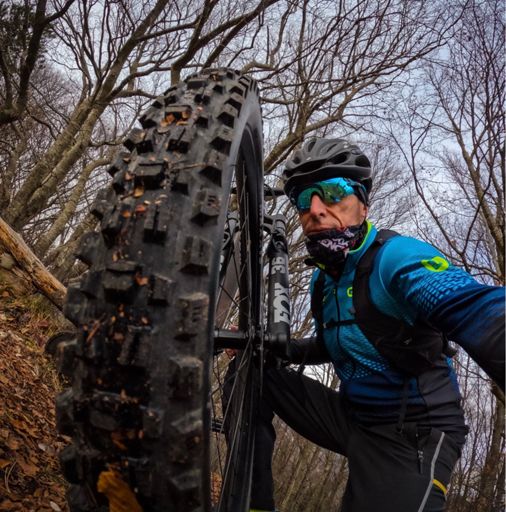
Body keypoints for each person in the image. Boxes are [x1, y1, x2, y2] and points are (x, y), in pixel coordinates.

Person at [240, 137, 505, 512]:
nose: (315, 209)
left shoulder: (396, 258)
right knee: (250, 369)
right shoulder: (322, 281)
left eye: (333, 192)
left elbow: (475, 309)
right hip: (353, 417)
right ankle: (253, 504)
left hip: (413, 432)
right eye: (303, 198)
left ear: (363, 206)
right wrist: (281, 348)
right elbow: (335, 341)